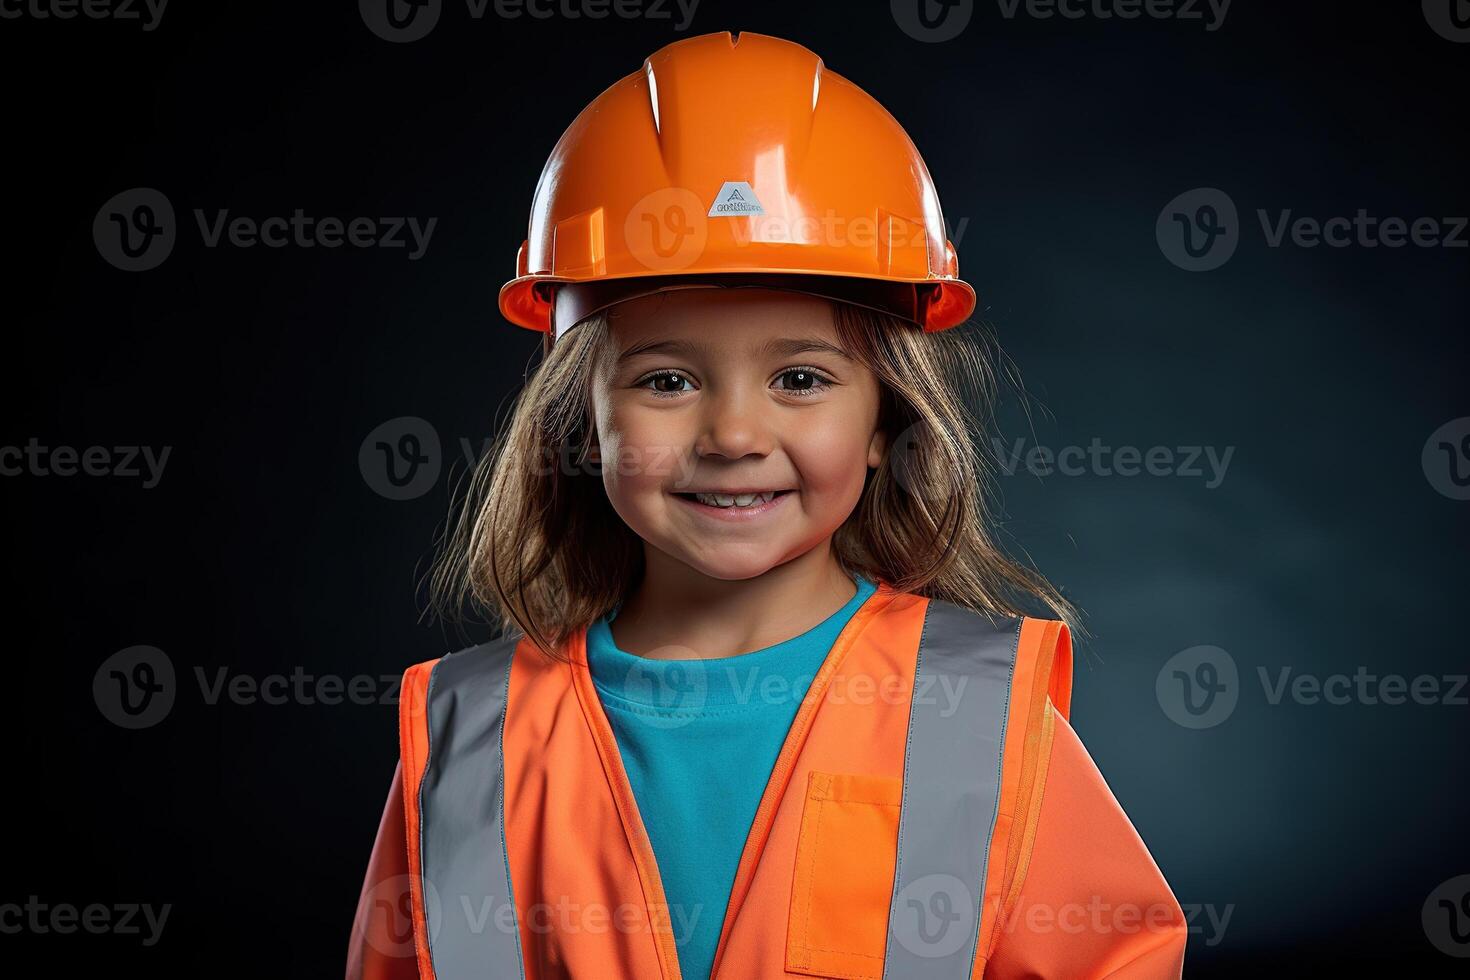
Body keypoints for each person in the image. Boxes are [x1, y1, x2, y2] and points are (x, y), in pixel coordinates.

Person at [347, 30, 1186, 980]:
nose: (734, 435)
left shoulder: (974, 714)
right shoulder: (470, 736)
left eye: (798, 376)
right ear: (582, 421)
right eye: (665, 381)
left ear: (884, 422)